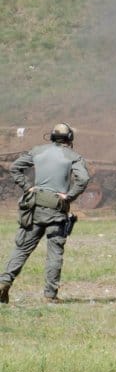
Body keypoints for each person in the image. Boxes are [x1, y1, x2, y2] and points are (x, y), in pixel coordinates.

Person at [0, 123, 90, 304]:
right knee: (54, 253)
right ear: (70, 138)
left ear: (51, 136)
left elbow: (15, 167)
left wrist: (27, 187)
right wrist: (69, 197)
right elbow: (84, 179)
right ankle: (50, 296)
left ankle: (3, 283)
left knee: (22, 249)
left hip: (34, 207)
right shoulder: (73, 156)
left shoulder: (37, 151)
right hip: (56, 209)